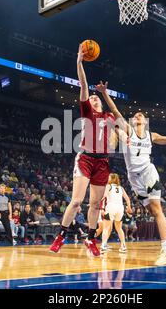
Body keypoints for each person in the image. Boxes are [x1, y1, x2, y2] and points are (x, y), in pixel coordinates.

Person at [97, 81, 166, 265]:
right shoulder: (128, 130)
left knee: (157, 210)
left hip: (149, 172)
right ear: (133, 121)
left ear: (145, 121)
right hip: (134, 178)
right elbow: (115, 111)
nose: (138, 115)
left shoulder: (152, 135)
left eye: (141, 114)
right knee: (150, 210)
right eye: (135, 115)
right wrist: (104, 93)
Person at [49, 45, 116, 256]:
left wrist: (127, 140)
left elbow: (119, 125)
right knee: (77, 200)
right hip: (86, 158)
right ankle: (61, 235)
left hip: (103, 162)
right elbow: (84, 85)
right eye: (93, 97)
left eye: (97, 98)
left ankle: (90, 238)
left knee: (95, 204)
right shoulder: (87, 111)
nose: (93, 98)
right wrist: (79, 62)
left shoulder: (109, 118)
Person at [100, 173, 132, 254]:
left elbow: (103, 196)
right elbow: (127, 199)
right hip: (120, 208)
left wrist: (100, 205)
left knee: (106, 228)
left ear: (112, 179)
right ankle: (123, 246)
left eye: (109, 177)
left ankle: (103, 245)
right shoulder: (121, 188)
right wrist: (129, 208)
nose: (107, 178)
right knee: (119, 228)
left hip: (111, 207)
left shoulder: (108, 186)